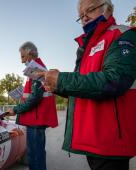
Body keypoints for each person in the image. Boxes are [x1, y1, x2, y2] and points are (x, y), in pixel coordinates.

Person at [37, 0, 136, 170]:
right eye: (80, 16)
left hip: (111, 142)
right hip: (94, 141)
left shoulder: (122, 34)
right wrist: (57, 86)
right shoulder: (86, 48)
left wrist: (62, 79)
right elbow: (84, 87)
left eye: (89, 10)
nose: (84, 18)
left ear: (108, 8)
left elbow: (114, 80)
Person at [8, 41, 58, 170]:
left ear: (30, 54)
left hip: (36, 120)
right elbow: (34, 94)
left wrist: (16, 109)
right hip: (35, 118)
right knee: (36, 153)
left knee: (35, 155)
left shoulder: (36, 70)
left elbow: (35, 98)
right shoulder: (36, 69)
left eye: (23, 57)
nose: (21, 61)